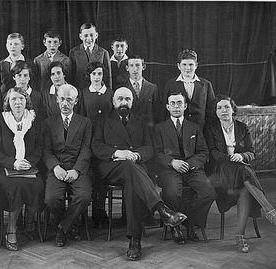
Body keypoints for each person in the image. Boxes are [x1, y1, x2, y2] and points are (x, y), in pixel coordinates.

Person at [91, 87, 187, 261]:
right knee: (130, 168)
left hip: (134, 168)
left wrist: (137, 154)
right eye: (120, 99)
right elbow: (96, 146)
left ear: (132, 102)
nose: (124, 102)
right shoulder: (102, 120)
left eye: (127, 99)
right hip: (110, 168)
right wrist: (118, 153)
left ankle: (135, 241)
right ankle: (162, 210)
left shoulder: (140, 121)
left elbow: (149, 148)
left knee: (132, 184)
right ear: (113, 101)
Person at [205, 95, 276, 253]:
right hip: (220, 173)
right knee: (243, 170)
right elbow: (212, 154)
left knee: (244, 190)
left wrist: (242, 156)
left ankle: (240, 236)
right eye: (220, 108)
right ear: (215, 112)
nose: (224, 110)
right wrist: (232, 157)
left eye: (227, 107)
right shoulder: (211, 129)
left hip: (241, 176)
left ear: (233, 109)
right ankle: (270, 210)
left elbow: (251, 152)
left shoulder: (242, 127)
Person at [153, 92, 216, 245]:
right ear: (168, 107)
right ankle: (176, 227)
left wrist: (191, 164)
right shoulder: (159, 128)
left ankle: (189, 222)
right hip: (170, 169)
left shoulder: (194, 127)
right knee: (172, 192)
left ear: (185, 106)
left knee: (209, 192)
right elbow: (156, 153)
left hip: (192, 169)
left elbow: (203, 152)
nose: (176, 106)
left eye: (179, 103)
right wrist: (172, 162)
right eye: (173, 103)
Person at [0, 87, 44, 251]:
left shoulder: (34, 119)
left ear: (26, 100)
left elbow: (39, 147)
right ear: (8, 102)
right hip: (6, 167)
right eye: (13, 99)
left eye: (21, 98)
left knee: (38, 184)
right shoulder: (1, 120)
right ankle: (11, 229)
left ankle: (29, 221)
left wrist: (29, 162)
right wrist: (13, 163)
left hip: (29, 166)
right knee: (16, 186)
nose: (18, 102)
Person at [44, 84, 92, 247]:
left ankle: (62, 229)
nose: (65, 103)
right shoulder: (49, 123)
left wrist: (77, 170)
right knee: (51, 198)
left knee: (84, 196)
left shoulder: (85, 123)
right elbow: (46, 150)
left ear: (76, 101)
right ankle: (71, 225)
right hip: (57, 169)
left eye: (69, 100)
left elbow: (86, 150)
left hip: (77, 169)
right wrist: (55, 167)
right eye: (62, 99)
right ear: (57, 100)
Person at [78, 61, 114, 225]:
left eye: (100, 74)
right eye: (94, 74)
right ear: (89, 76)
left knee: (103, 175)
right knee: (89, 174)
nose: (97, 77)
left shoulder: (111, 93)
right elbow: (81, 118)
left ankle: (100, 210)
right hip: (88, 141)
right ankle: (86, 212)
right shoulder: (83, 94)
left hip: (106, 142)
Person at [160, 49, 215, 131]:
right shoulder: (170, 84)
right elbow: (164, 111)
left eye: (191, 64)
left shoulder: (206, 84)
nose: (188, 68)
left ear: (196, 65)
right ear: (179, 66)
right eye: (184, 64)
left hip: (201, 129)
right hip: (178, 129)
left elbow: (211, 110)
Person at [69, 23, 112, 90]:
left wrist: (108, 93)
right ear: (80, 36)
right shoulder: (74, 52)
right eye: (85, 35)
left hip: (97, 91)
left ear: (96, 35)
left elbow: (108, 77)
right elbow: (71, 76)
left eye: (91, 35)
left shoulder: (103, 52)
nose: (89, 39)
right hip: (80, 91)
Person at [121, 55, 159, 127]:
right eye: (131, 66)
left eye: (138, 65)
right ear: (127, 68)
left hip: (148, 131)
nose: (135, 69)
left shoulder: (153, 88)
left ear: (143, 67)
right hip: (128, 131)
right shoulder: (121, 88)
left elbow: (157, 114)